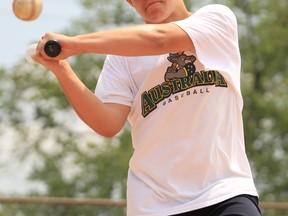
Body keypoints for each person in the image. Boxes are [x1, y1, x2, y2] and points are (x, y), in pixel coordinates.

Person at [34, 0, 262, 215]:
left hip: (224, 192)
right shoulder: (120, 58)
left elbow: (160, 40)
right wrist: (61, 68)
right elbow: (107, 124)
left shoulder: (216, 20)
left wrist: (73, 44)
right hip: (154, 205)